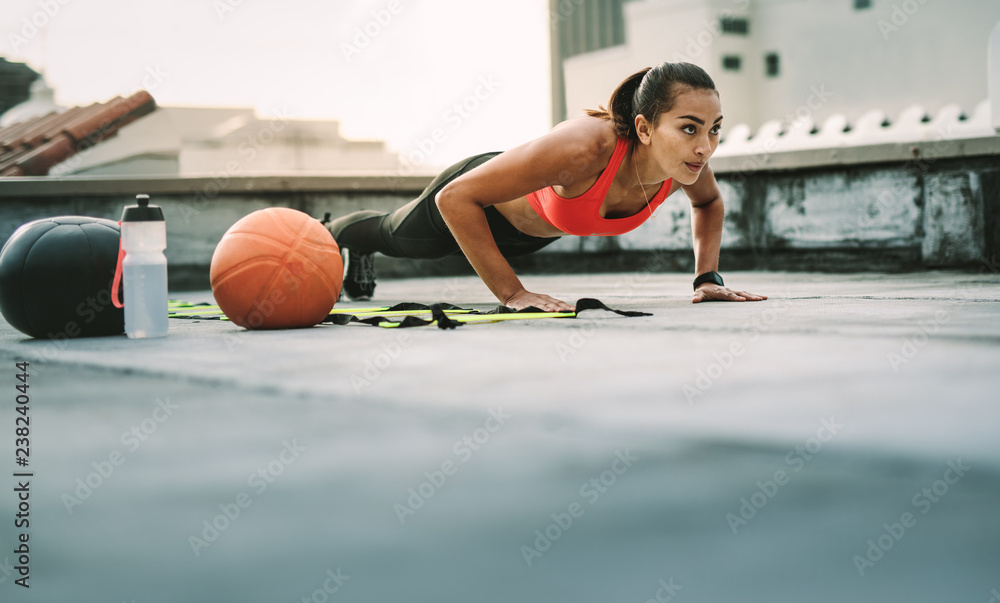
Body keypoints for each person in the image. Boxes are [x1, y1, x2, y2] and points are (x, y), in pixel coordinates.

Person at [326, 62, 767, 311]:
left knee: (406, 241)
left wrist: (706, 277)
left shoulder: (684, 165)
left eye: (715, 129)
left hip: (528, 237)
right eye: (690, 128)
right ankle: (330, 234)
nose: (706, 146)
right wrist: (513, 294)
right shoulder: (584, 150)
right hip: (478, 199)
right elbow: (455, 197)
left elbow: (708, 204)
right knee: (397, 238)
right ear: (645, 128)